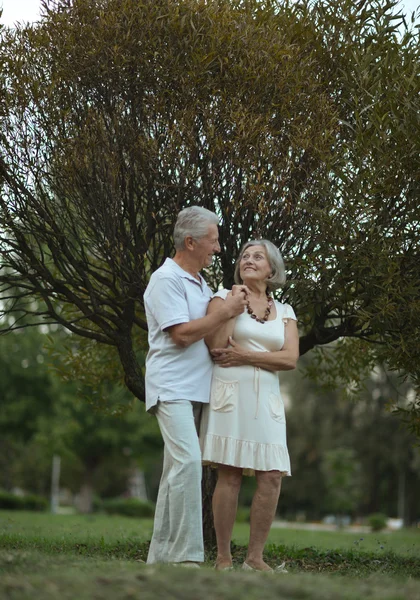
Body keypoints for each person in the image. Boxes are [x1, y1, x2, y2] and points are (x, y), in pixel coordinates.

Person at [144, 206, 248, 566]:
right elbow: (182, 335)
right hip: (170, 387)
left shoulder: (199, 283)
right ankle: (188, 559)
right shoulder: (166, 279)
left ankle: (159, 559)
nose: (218, 249)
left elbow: (205, 335)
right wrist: (227, 311)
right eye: (213, 241)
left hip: (198, 389)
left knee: (177, 470)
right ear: (190, 242)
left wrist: (225, 340)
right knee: (188, 462)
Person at [200, 239, 299, 572]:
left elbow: (290, 359)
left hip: (268, 401)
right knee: (229, 474)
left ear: (272, 270)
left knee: (271, 476)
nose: (249, 260)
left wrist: (245, 355)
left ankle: (255, 557)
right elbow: (215, 345)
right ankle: (224, 557)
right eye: (245, 256)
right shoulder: (223, 297)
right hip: (231, 395)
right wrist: (232, 307)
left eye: (258, 257)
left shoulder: (285, 311)